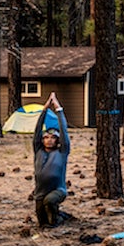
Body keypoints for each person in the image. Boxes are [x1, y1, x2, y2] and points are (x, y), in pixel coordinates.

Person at [32, 93, 70, 228]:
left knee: (50, 205)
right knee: (42, 222)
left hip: (58, 190)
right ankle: (61, 215)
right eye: (46, 137)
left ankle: (57, 220)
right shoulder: (39, 151)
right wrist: (44, 110)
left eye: (53, 137)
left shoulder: (62, 151)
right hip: (40, 194)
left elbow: (64, 131)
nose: (49, 140)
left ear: (57, 140)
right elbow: (37, 131)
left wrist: (58, 109)